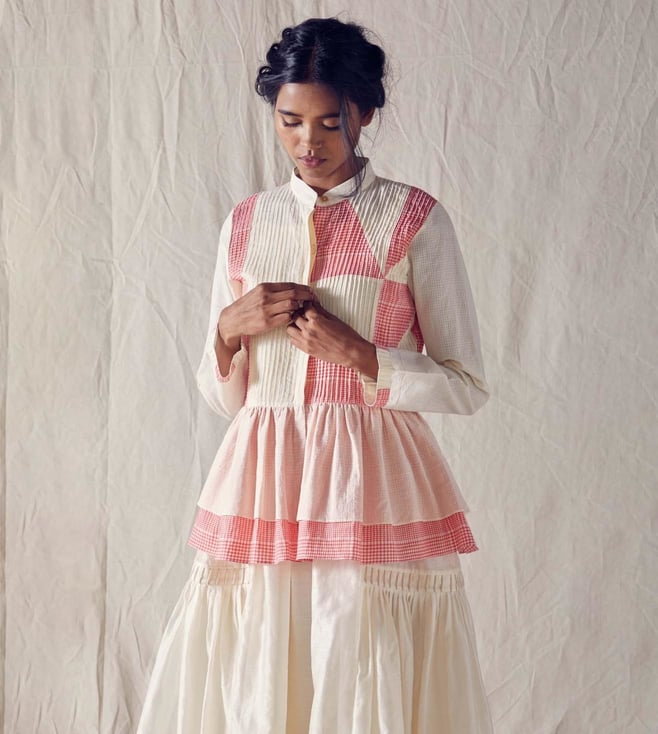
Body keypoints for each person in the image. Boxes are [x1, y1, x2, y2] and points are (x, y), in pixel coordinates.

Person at [137, 16, 494, 734]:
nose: (308, 142)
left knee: (359, 656)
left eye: (329, 122)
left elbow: (466, 383)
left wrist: (363, 356)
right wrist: (227, 332)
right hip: (263, 479)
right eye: (289, 121)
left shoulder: (412, 219)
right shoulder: (247, 223)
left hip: (371, 483)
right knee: (259, 661)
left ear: (364, 114)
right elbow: (226, 397)